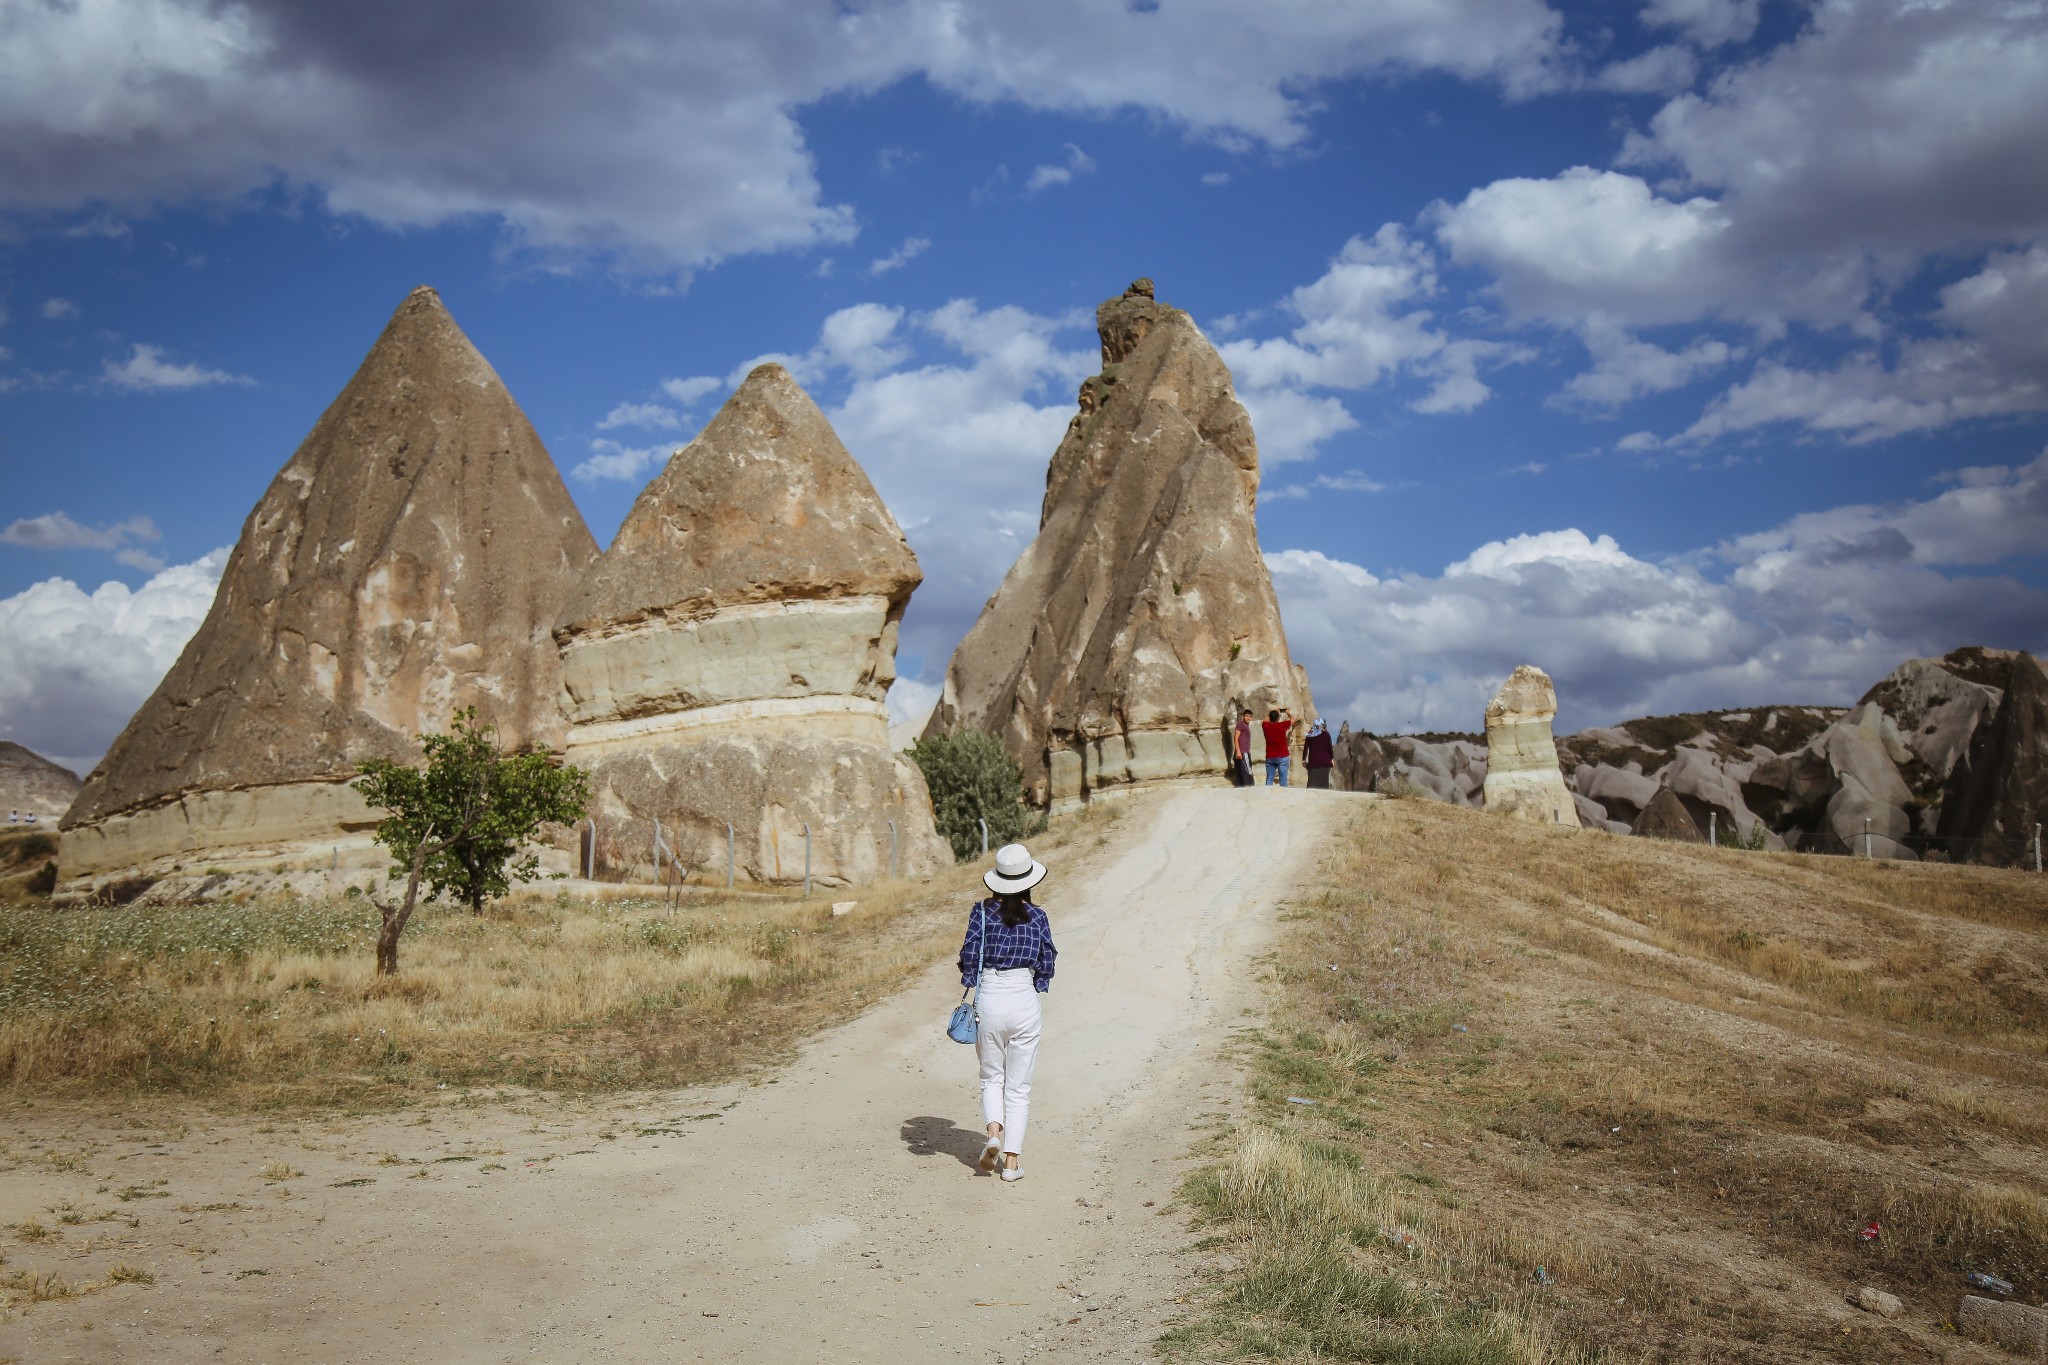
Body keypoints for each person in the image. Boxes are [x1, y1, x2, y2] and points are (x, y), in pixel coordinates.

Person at [958, 843, 1057, 1182]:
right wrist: (1038, 983)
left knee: (991, 1077)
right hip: (1023, 998)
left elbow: (969, 954)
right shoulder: (1039, 916)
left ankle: (993, 1136)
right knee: (1019, 1086)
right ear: (1029, 879)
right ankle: (1012, 1164)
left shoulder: (981, 912)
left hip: (990, 996)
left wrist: (970, 977)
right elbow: (1047, 959)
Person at [1260, 708, 1295, 787]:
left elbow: (1265, 720)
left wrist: (1275, 710)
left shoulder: (1265, 726)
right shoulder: (1282, 725)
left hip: (1270, 757)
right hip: (1283, 756)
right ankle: (1283, 797)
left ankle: (1267, 797)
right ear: (1278, 718)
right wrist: (1288, 713)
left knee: (1269, 778)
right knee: (1283, 779)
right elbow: (1293, 719)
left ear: (1270, 717)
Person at [1304, 717, 1335, 788]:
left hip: (1313, 761)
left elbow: (1306, 748)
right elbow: (1330, 748)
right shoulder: (1327, 735)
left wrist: (1304, 760)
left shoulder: (1310, 734)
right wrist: (1332, 759)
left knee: (1312, 783)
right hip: (1325, 761)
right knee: (1324, 783)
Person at [1231, 708, 1255, 787]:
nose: (1248, 718)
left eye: (1250, 716)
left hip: (1243, 752)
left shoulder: (1246, 726)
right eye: (1247, 716)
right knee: (1247, 771)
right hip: (1242, 752)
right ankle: (1249, 788)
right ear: (1243, 716)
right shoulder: (1241, 724)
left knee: (1240, 773)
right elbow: (1236, 738)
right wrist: (1238, 751)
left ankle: (1239, 788)